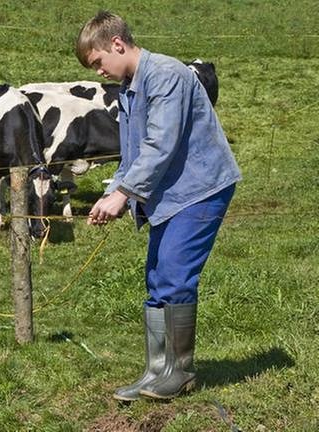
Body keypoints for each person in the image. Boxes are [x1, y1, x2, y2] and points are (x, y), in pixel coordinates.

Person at [75, 11, 241, 400]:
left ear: (117, 44)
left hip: (199, 188)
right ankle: (156, 371)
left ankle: (179, 371)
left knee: (174, 275)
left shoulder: (166, 75)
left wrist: (124, 194)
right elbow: (132, 153)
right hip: (171, 193)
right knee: (157, 279)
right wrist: (112, 191)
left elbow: (160, 145)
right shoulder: (131, 86)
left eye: (98, 61)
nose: (98, 71)